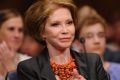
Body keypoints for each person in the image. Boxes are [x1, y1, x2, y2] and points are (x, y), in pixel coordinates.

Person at [17, 0, 109, 80]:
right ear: (42, 32)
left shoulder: (93, 62)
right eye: (55, 24)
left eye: (69, 23)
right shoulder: (28, 68)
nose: (65, 30)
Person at [77, 11, 120, 80]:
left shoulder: (118, 71)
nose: (97, 41)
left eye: (101, 35)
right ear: (78, 44)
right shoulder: (74, 74)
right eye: (89, 36)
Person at [0, 9, 29, 80]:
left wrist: (10, 68)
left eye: (20, 30)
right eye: (11, 29)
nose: (17, 35)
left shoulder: (29, 63)